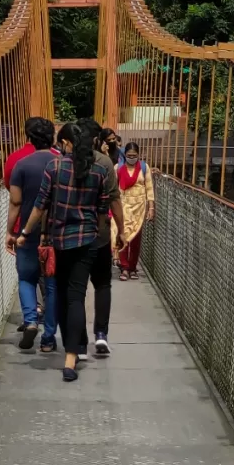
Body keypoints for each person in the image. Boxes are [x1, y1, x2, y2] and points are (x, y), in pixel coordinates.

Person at [17, 120, 123, 381]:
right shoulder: (99, 168)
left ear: (65, 143)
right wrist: (101, 231)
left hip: (59, 241)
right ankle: (71, 360)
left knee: (61, 295)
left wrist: (25, 233)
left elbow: (41, 205)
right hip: (87, 242)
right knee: (76, 297)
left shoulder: (55, 166)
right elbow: (102, 209)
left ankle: (68, 347)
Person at [6, 119, 59, 352]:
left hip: (27, 232)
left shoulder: (21, 165)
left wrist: (10, 231)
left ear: (29, 137)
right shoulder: (63, 163)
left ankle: (30, 321)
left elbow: (15, 201)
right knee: (52, 283)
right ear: (53, 137)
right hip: (57, 233)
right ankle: (49, 335)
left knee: (26, 277)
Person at [81, 118, 121, 357]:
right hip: (101, 234)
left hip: (72, 237)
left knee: (75, 291)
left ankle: (78, 343)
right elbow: (114, 199)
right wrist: (122, 230)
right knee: (103, 285)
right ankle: (101, 336)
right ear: (97, 139)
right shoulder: (105, 162)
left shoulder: (63, 163)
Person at [114, 142, 155, 279]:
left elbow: (149, 187)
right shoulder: (118, 168)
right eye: (129, 155)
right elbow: (113, 189)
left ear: (139, 155)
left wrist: (151, 207)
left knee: (136, 238)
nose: (131, 158)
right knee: (124, 235)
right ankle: (124, 267)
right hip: (123, 206)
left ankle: (133, 267)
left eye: (134, 155)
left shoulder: (144, 167)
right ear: (124, 155)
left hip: (139, 207)